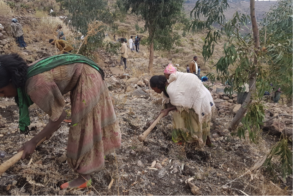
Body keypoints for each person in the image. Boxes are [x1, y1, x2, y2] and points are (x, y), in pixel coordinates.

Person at [0, 53, 121, 189]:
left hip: (87, 76)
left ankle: (84, 177)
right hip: (86, 71)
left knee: (83, 125)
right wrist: (43, 135)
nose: (4, 97)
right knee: (89, 120)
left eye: (3, 92)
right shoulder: (28, 73)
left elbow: (59, 117)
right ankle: (97, 155)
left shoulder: (35, 85)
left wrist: (33, 141)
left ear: (12, 81)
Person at [150, 64, 215, 147]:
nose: (154, 91)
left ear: (157, 86)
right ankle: (206, 142)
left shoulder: (171, 89)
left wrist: (168, 110)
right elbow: (165, 108)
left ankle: (182, 142)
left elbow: (180, 105)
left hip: (199, 101)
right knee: (201, 122)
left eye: (153, 88)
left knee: (181, 119)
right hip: (204, 97)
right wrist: (154, 121)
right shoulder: (168, 86)